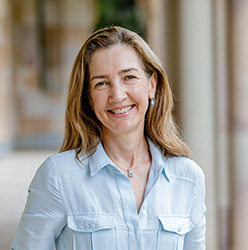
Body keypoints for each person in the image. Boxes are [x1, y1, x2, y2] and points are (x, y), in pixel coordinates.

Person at [11, 26, 206, 250]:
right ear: (89, 99)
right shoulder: (58, 178)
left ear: (151, 86)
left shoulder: (188, 179)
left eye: (129, 77)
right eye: (101, 83)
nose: (118, 95)